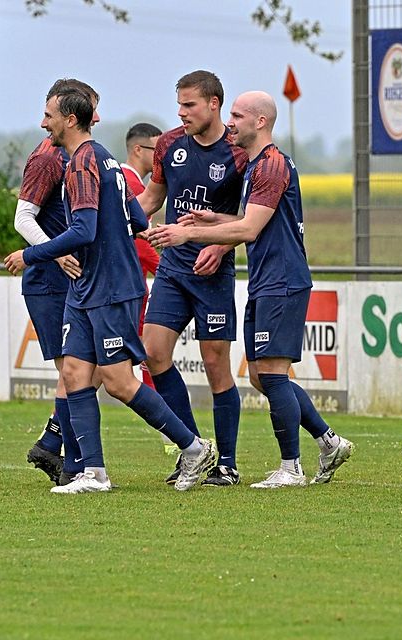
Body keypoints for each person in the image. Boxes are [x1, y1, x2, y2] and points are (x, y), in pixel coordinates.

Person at [5, 85, 217, 494]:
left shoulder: (84, 163)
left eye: (48, 115)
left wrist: (32, 256)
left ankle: (192, 448)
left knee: (118, 381)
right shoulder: (101, 159)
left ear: (69, 119)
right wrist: (146, 234)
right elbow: (135, 214)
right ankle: (93, 473)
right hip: (89, 285)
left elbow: (83, 229)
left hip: (110, 287)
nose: (42, 122)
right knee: (74, 372)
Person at [149, 90, 354, 489]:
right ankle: (328, 441)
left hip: (283, 280)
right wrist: (211, 217)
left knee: (273, 375)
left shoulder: (272, 164)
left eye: (239, 116)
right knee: (262, 377)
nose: (231, 123)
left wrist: (186, 232)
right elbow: (246, 219)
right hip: (264, 280)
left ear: (260, 122)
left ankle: (291, 468)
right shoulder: (258, 164)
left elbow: (248, 229)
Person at [134, 71, 247, 487]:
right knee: (154, 352)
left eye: (190, 105)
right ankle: (193, 451)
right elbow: (151, 198)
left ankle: (228, 464)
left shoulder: (238, 150)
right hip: (173, 267)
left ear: (214, 104)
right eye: (179, 104)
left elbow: (251, 219)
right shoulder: (168, 144)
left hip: (213, 271)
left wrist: (219, 246)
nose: (181, 113)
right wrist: (120, 222)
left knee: (216, 363)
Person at [15, 79, 99, 487]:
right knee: (75, 371)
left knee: (84, 369)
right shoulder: (48, 158)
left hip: (72, 279)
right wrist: (54, 251)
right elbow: (23, 218)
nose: (96, 118)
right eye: (91, 110)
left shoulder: (78, 156)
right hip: (49, 281)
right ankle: (74, 463)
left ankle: (56, 444)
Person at [121, 122, 173, 453]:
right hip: (127, 291)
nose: (161, 160)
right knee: (142, 362)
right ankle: (176, 432)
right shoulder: (127, 182)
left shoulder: (136, 184)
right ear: (138, 150)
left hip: (131, 288)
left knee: (93, 370)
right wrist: (169, 271)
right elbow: (139, 244)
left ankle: (58, 437)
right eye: (157, 152)